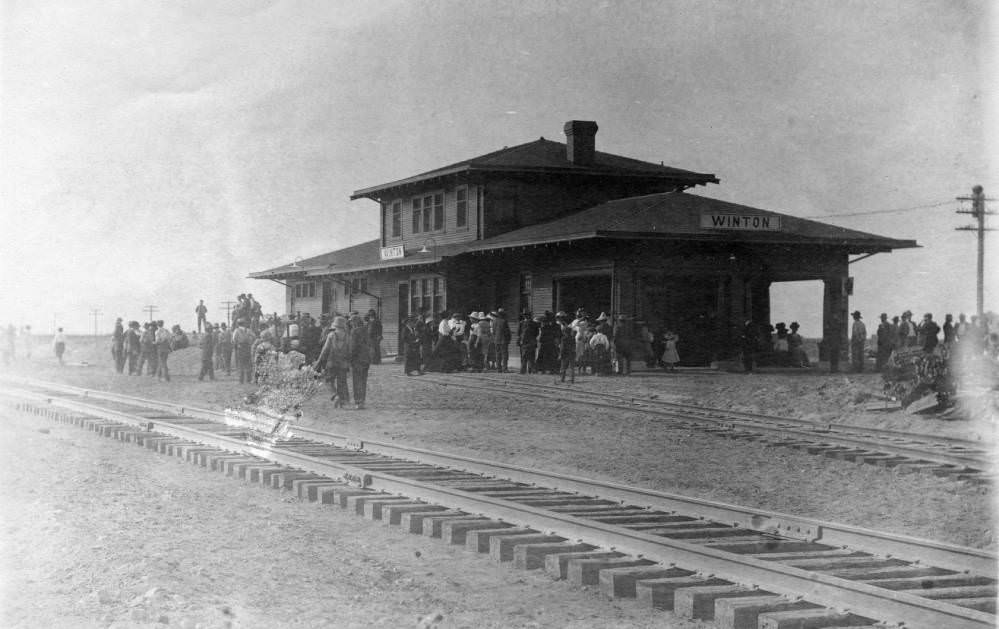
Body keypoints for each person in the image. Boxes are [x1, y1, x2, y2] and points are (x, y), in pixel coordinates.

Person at [317, 315, 351, 407]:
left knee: (328, 381)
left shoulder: (331, 335)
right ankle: (343, 401)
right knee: (342, 382)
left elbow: (325, 350)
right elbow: (350, 351)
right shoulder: (348, 336)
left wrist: (319, 361)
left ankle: (335, 396)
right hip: (343, 363)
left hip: (332, 362)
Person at [347, 313, 371, 409]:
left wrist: (349, 358)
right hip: (366, 359)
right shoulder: (366, 331)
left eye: (352, 322)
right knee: (363, 381)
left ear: (355, 322)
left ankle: (358, 401)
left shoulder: (354, 332)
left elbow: (353, 347)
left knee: (357, 381)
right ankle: (363, 401)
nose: (351, 324)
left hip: (357, 360)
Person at [232, 319, 255, 384]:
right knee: (248, 363)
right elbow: (254, 336)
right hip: (247, 347)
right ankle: (248, 379)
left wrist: (237, 345)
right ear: (244, 324)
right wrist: (250, 342)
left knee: (241, 364)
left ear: (238, 324)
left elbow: (233, 339)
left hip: (240, 348)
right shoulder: (248, 330)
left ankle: (241, 380)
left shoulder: (236, 330)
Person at [556, 312, 575, 383]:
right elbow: (574, 346)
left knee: (563, 366)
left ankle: (562, 379)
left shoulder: (563, 339)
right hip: (572, 353)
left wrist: (560, 354)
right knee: (571, 367)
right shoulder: (572, 338)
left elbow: (562, 347)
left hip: (565, 353)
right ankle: (571, 379)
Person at [492, 309, 511, 373]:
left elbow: (494, 331)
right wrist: (508, 339)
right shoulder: (504, 321)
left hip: (496, 340)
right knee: (504, 355)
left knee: (498, 354)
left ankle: (498, 368)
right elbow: (507, 332)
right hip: (503, 340)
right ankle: (505, 368)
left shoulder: (494, 321)